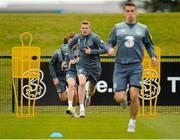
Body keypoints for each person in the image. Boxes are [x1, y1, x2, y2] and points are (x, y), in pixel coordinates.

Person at [107, 1, 158, 132]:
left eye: (132, 11)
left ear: (136, 12)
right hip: (120, 66)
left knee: (134, 95)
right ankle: (123, 101)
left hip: (136, 66)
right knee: (118, 97)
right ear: (124, 12)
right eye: (127, 11)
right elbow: (110, 43)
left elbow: (149, 45)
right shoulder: (117, 27)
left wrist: (153, 56)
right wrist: (110, 49)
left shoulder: (143, 28)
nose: (130, 13)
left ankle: (132, 121)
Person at [68, 20, 108, 117]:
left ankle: (89, 96)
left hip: (94, 67)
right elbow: (69, 46)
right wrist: (72, 56)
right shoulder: (77, 37)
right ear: (80, 28)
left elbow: (106, 49)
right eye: (83, 28)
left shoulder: (95, 37)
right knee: (81, 83)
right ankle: (82, 109)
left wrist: (92, 52)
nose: (84, 30)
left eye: (86, 28)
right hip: (82, 65)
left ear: (90, 28)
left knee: (91, 89)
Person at [60, 32, 80, 118]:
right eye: (70, 41)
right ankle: (70, 106)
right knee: (71, 85)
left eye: (73, 42)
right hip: (70, 70)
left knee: (76, 95)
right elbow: (63, 58)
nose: (72, 43)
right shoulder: (64, 48)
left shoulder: (81, 48)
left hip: (81, 71)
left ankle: (74, 110)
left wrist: (77, 60)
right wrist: (63, 62)